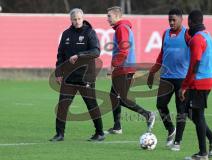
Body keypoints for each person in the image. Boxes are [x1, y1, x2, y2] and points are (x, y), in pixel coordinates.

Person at [49, 8, 105, 142]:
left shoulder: (90, 33)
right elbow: (60, 55)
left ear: (82, 18)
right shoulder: (66, 34)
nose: (77, 21)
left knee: (91, 105)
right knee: (62, 106)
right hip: (69, 77)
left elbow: (96, 52)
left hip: (86, 76)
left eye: (79, 19)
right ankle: (59, 134)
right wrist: (58, 72)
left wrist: (79, 55)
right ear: (71, 20)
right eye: (74, 19)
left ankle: (100, 133)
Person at [179, 10, 212, 160]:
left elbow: (194, 65)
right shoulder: (207, 36)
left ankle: (203, 153)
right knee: (189, 111)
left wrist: (185, 85)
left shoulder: (197, 39)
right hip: (208, 78)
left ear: (190, 21)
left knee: (198, 114)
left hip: (200, 81)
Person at [105, 6, 155, 134]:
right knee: (113, 96)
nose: (107, 19)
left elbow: (124, 50)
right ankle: (117, 127)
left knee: (121, 98)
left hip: (124, 68)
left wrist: (114, 65)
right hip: (124, 68)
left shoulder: (122, 28)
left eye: (109, 16)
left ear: (117, 16)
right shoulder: (121, 28)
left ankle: (148, 114)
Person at [147, 8, 191, 151]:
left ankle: (177, 141)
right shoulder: (165, 33)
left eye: (174, 20)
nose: (171, 22)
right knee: (160, 105)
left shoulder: (187, 34)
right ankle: (171, 129)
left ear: (181, 19)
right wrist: (152, 72)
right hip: (166, 77)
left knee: (181, 110)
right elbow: (161, 54)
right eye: (169, 20)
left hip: (182, 79)